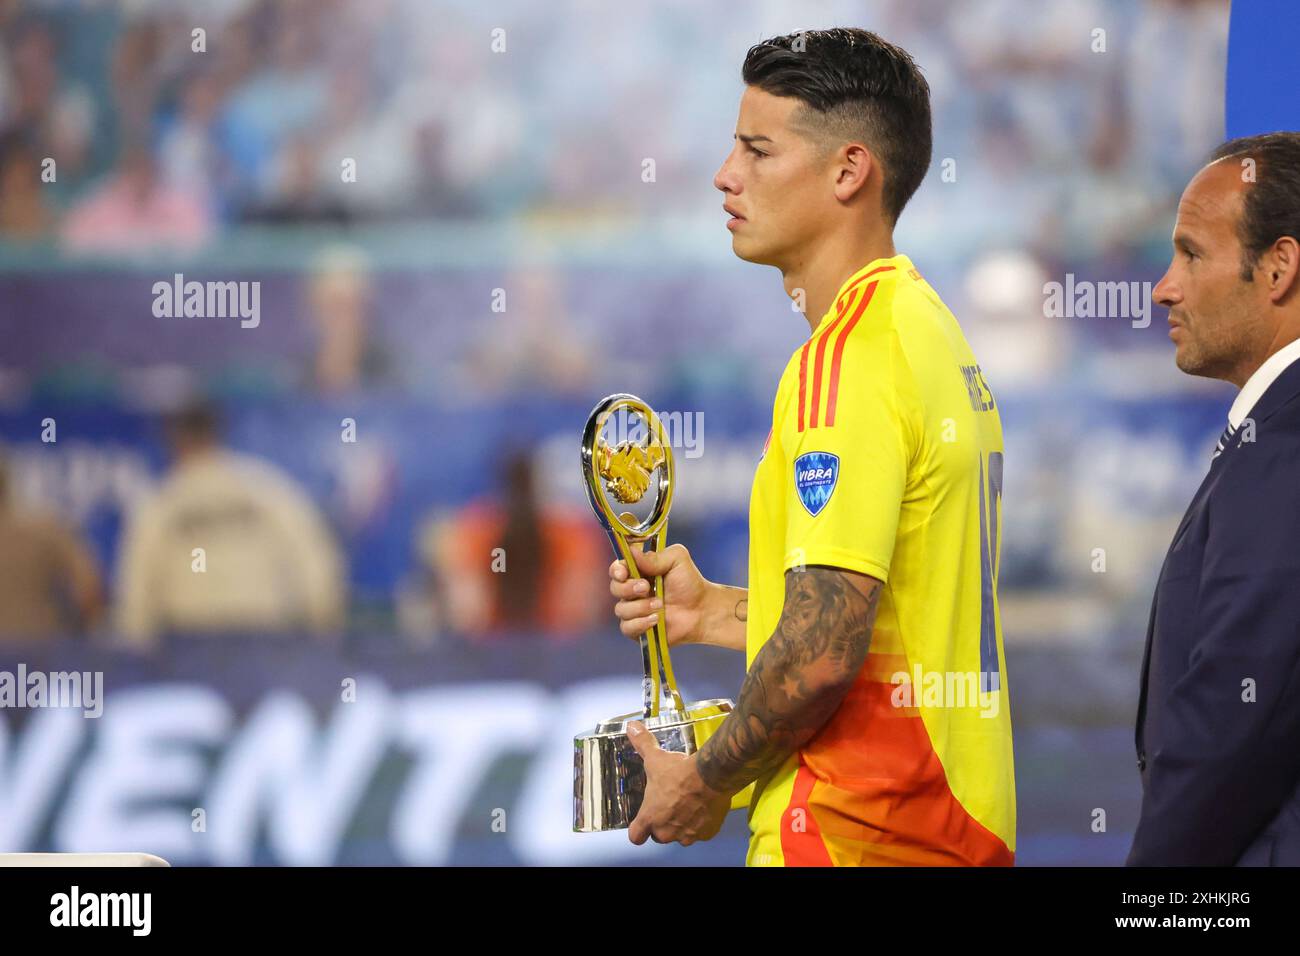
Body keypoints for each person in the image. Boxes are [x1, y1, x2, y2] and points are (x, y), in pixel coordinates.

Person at [608, 28, 1015, 865]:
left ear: (848, 171)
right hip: (946, 830)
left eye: (758, 151)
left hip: (854, 834)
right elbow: (879, 608)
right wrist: (714, 611)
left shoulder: (846, 354)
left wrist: (707, 777)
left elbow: (824, 653)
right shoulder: (930, 332)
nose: (726, 175)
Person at [1131, 132, 1300, 866]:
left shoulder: (1286, 445)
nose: (1165, 287)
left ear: (1278, 269)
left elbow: (1233, 724)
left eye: (1192, 254)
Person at [115, 401, 346, 646]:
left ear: (173, 438)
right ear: (216, 432)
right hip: (261, 641)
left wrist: (136, 643)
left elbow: (136, 593)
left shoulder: (161, 502)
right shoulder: (265, 487)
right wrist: (323, 628)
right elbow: (316, 564)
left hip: (194, 646)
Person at [0, 454, 103, 641]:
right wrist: (78, 640)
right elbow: (91, 589)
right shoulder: (45, 529)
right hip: (41, 659)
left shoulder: (44, 529)